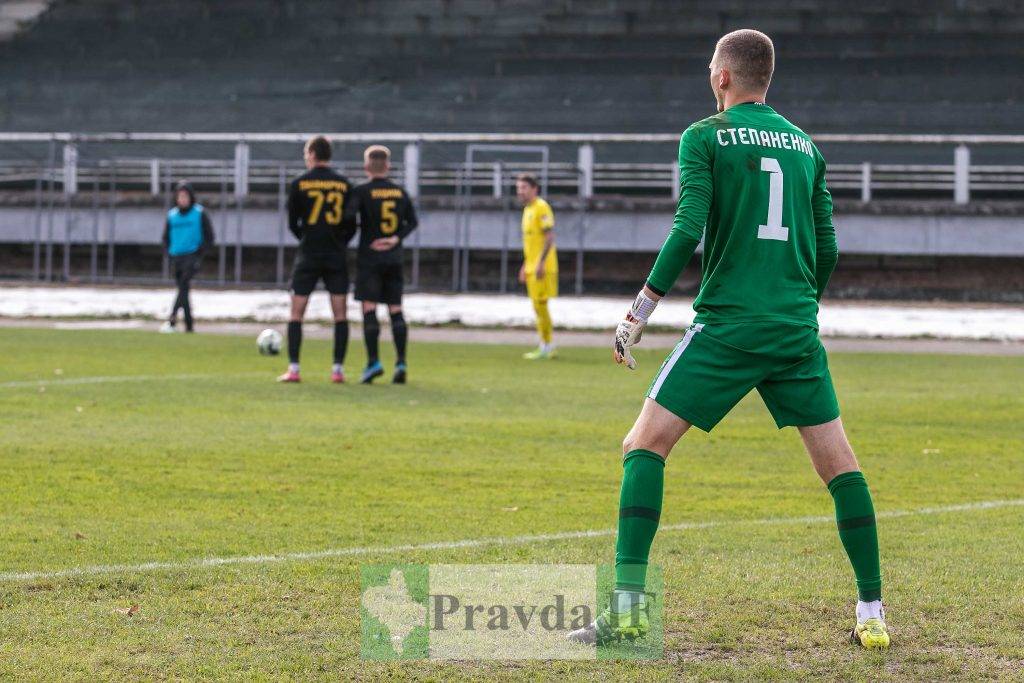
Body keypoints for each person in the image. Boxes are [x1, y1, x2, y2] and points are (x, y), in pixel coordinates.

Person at [568, 29, 889, 650]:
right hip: (794, 328)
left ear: (722, 77)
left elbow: (689, 225)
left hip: (729, 324)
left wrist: (640, 310)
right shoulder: (805, 145)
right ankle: (872, 611)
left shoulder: (703, 137)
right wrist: (796, 303)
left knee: (644, 445)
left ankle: (629, 615)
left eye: (710, 69)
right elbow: (829, 247)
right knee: (840, 467)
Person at [278, 135, 353, 383]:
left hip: (309, 253)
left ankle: (294, 368)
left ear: (311, 154)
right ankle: (337, 370)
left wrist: (307, 237)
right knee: (340, 313)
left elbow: (292, 223)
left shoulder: (300, 183)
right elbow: (352, 223)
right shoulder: (344, 184)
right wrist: (338, 241)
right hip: (335, 254)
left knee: (297, 312)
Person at [345, 145, 418, 384]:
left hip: (370, 258)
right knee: (395, 309)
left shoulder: (361, 192)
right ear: (387, 166)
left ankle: (373, 362)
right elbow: (412, 222)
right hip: (394, 258)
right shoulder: (399, 192)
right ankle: (401, 362)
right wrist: (395, 238)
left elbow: (348, 218)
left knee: (369, 309)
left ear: (366, 167)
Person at [160, 181, 214, 333]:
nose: (182, 199)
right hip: (176, 256)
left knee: (183, 285)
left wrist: (199, 253)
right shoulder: (172, 215)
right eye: (180, 196)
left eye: (185, 196)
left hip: (192, 256)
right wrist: (168, 253)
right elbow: (165, 238)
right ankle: (189, 325)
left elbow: (209, 236)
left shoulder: (199, 213)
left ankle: (172, 318)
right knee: (183, 289)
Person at [516, 173, 558, 360]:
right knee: (536, 307)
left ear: (534, 189)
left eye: (524, 188)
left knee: (541, 306)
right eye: (518, 188)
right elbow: (532, 243)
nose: (520, 192)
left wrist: (540, 263)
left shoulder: (541, 207)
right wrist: (525, 265)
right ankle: (544, 343)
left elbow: (549, 238)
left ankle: (547, 345)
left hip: (543, 267)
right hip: (532, 267)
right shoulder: (527, 210)